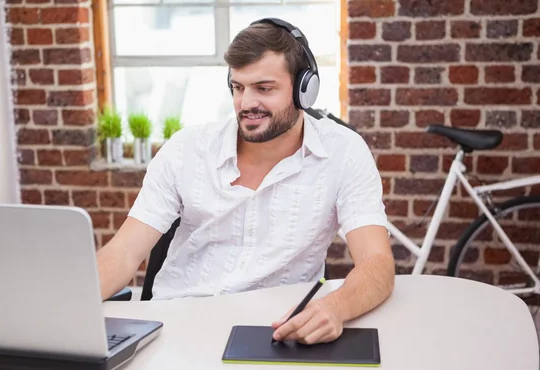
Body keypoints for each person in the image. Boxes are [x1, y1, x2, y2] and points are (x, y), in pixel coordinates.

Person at [97, 18, 395, 345]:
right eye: (238, 87)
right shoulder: (186, 150)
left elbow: (377, 263)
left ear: (303, 89)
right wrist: (63, 309)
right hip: (179, 326)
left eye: (264, 88)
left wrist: (336, 307)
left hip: (273, 335)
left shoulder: (343, 153)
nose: (246, 103)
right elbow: (124, 253)